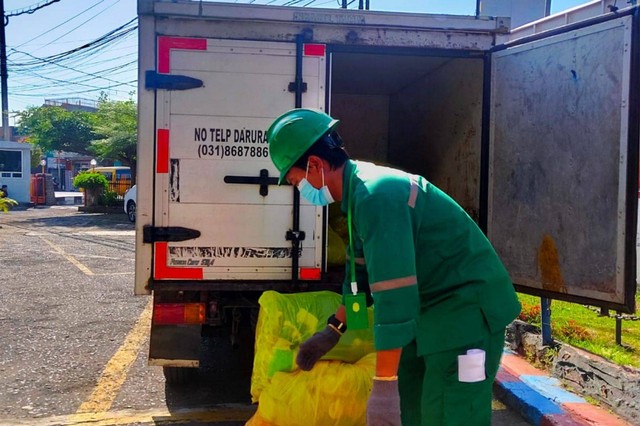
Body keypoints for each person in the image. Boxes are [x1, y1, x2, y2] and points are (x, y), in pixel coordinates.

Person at [266, 108, 521, 426]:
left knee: (449, 413)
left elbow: (394, 294)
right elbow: (359, 277)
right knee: (410, 405)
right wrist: (334, 330)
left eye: (295, 181)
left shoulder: (376, 195)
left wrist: (383, 388)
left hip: (466, 313)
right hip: (430, 310)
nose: (300, 190)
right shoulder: (358, 196)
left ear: (315, 165)